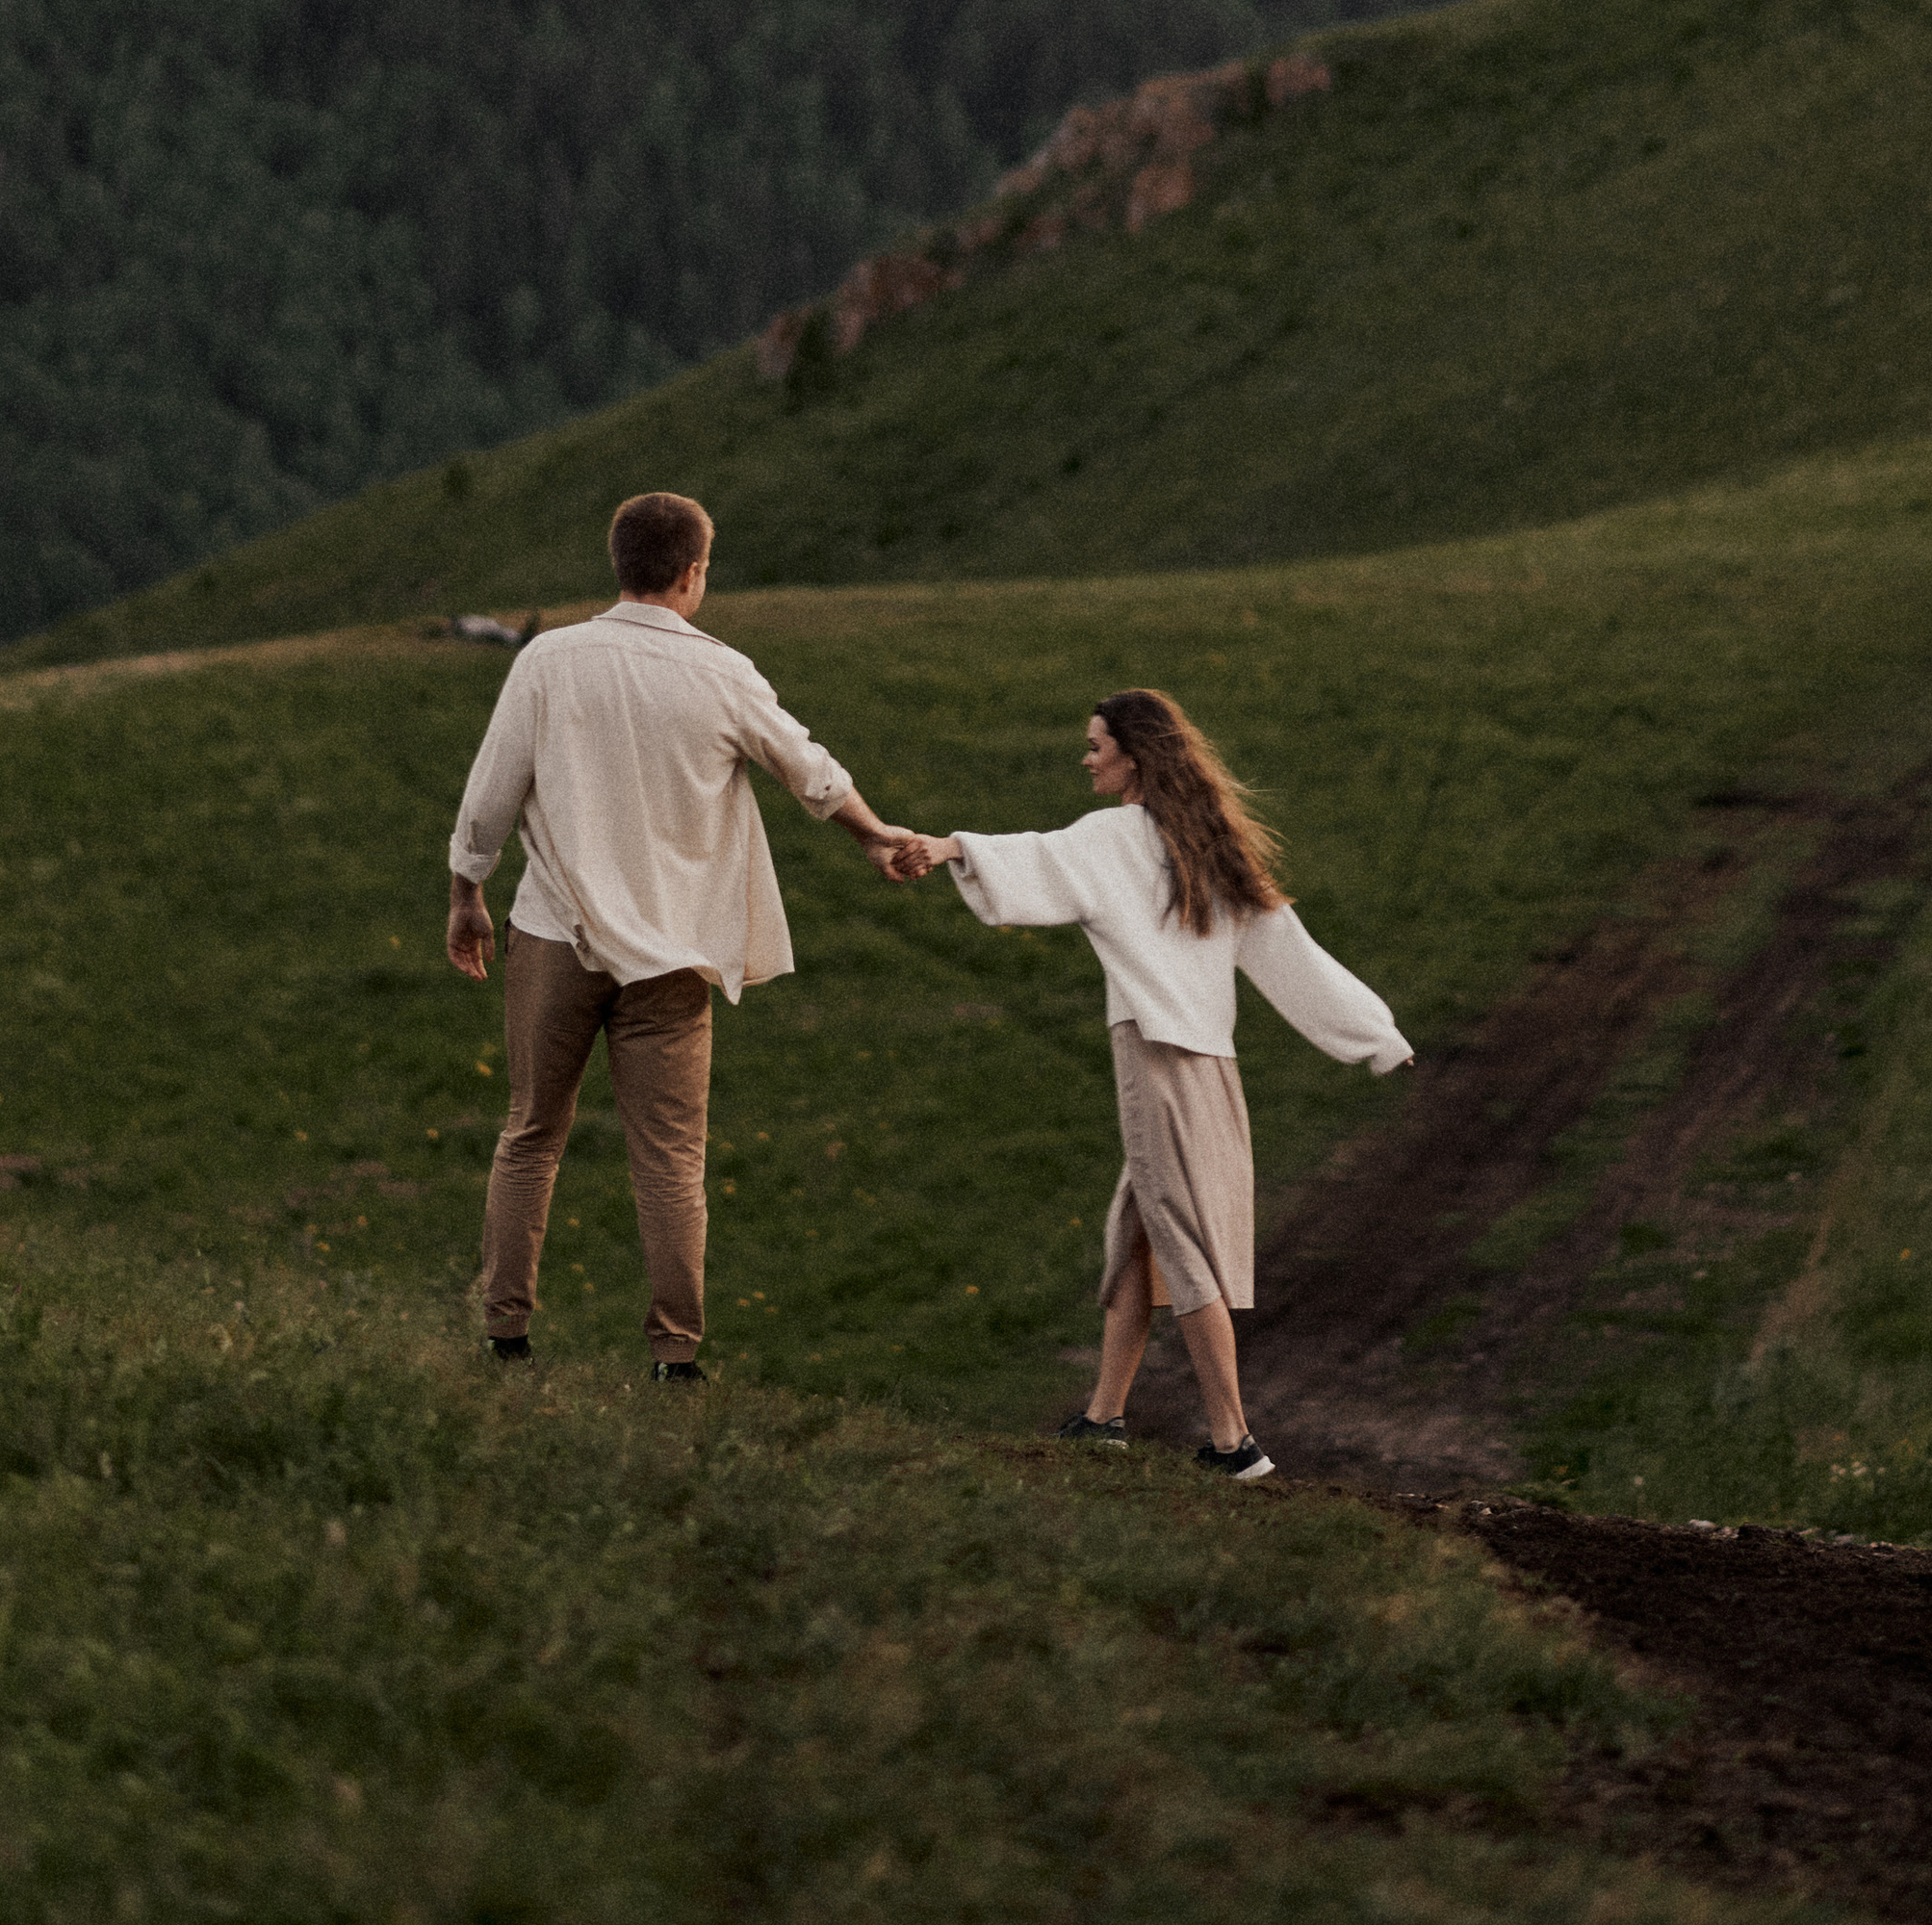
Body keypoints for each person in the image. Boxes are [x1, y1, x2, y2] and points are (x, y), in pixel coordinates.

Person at [445, 489, 914, 1374]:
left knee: (533, 1130)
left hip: (554, 932)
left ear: (617, 564)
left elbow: (491, 790)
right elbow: (809, 772)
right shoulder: (723, 673)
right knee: (669, 1157)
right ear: (694, 572)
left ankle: (505, 1336)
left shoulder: (550, 660)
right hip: (673, 953)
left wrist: (468, 891)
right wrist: (874, 835)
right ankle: (675, 1354)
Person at [890, 687, 1410, 1478]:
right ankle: (1104, 1415)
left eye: (1097, 744)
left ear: (1135, 756)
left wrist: (947, 845)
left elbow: (1034, 858)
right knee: (1138, 1233)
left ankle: (1235, 1442)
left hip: (1157, 1059)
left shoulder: (1115, 837)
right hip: (1211, 1069)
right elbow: (1291, 953)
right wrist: (1376, 1034)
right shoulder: (1204, 843)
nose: (1087, 756)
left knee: (1182, 1242)